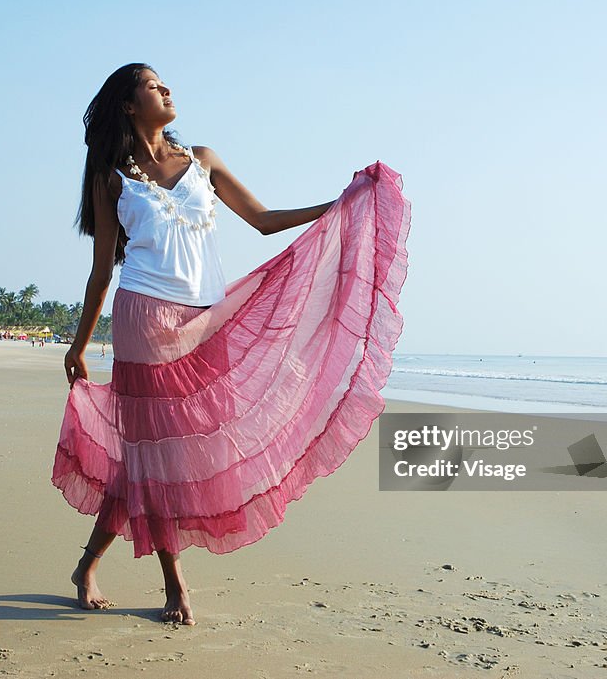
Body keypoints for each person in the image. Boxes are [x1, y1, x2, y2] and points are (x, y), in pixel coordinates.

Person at [52, 63, 410, 626]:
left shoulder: (202, 159)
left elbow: (263, 221)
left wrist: (336, 208)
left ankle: (85, 566)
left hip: (208, 320)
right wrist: (78, 346)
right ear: (128, 104)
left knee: (152, 457)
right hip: (144, 318)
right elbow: (102, 271)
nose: (167, 89)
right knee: (159, 456)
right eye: (152, 84)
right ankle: (174, 583)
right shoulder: (112, 178)